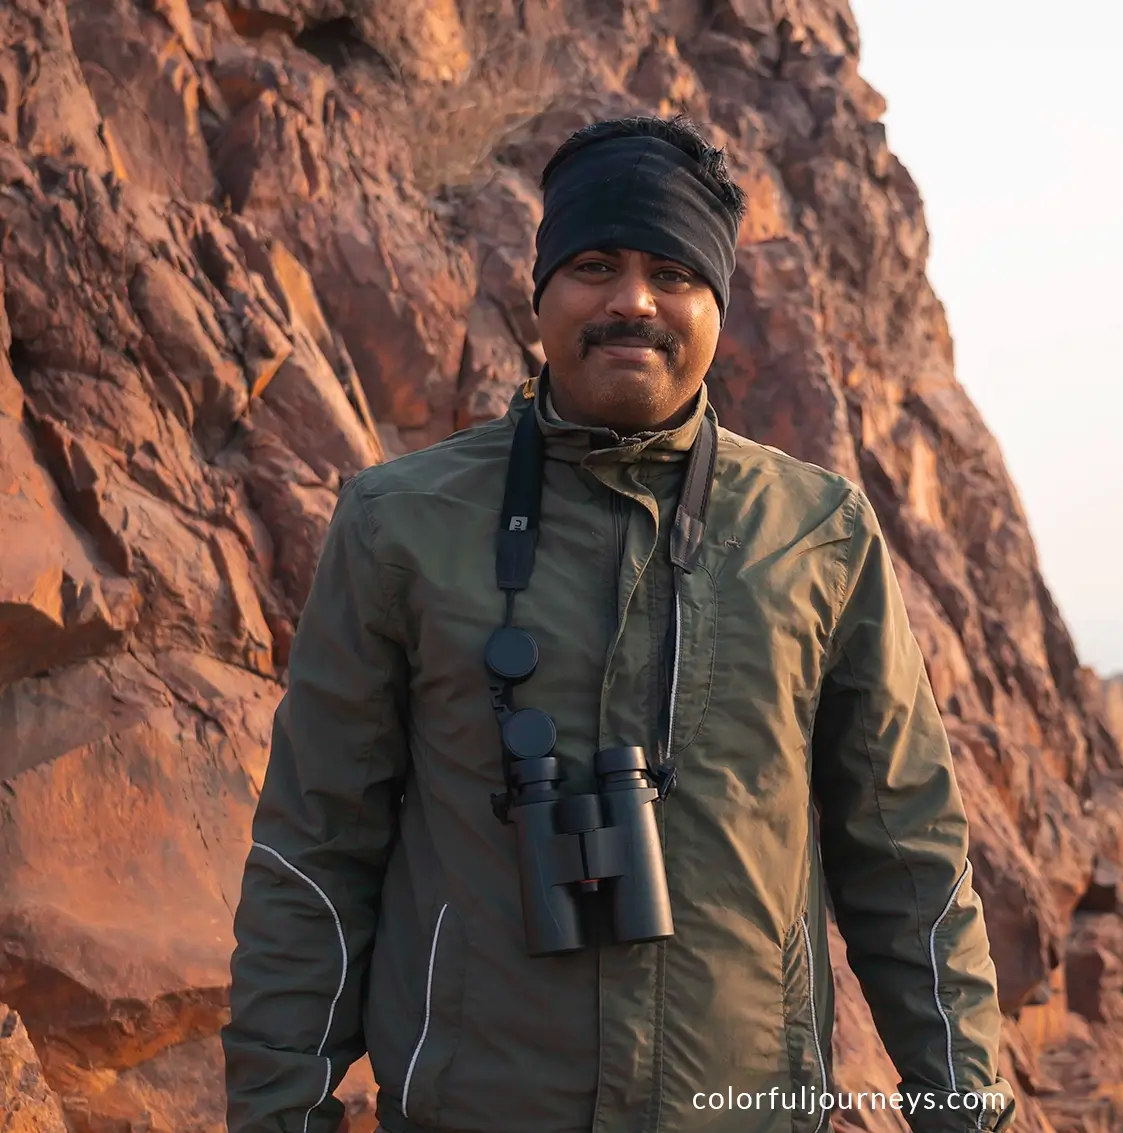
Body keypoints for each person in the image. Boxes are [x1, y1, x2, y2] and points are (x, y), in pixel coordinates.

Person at [222, 115, 1015, 1133]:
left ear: (716, 307)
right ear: (541, 290)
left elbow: (906, 860)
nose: (631, 299)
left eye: (672, 272)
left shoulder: (817, 533)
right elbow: (314, 848)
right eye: (595, 264)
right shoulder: (401, 526)